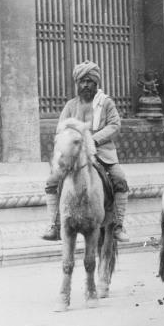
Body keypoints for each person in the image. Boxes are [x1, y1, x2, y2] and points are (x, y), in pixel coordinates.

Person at [41, 60, 130, 243]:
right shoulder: (71, 106)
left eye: (89, 81)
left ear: (97, 83)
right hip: (76, 155)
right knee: (51, 181)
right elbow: (61, 128)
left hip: (102, 153)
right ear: (77, 84)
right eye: (82, 81)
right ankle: (55, 224)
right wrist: (73, 141)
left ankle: (118, 225)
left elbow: (115, 125)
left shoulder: (106, 104)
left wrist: (93, 139)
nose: (86, 85)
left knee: (119, 179)